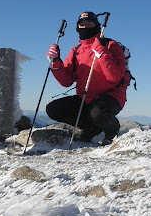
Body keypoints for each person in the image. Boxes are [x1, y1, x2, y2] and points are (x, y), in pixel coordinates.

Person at [45, 11, 128, 145]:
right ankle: (91, 129)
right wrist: (55, 62)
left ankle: (112, 131)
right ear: (77, 27)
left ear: (97, 26)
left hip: (110, 96)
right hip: (85, 96)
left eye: (89, 23)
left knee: (98, 113)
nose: (85, 27)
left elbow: (114, 77)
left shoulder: (110, 45)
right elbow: (66, 81)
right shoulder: (76, 50)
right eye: (82, 24)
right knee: (53, 109)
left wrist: (102, 53)